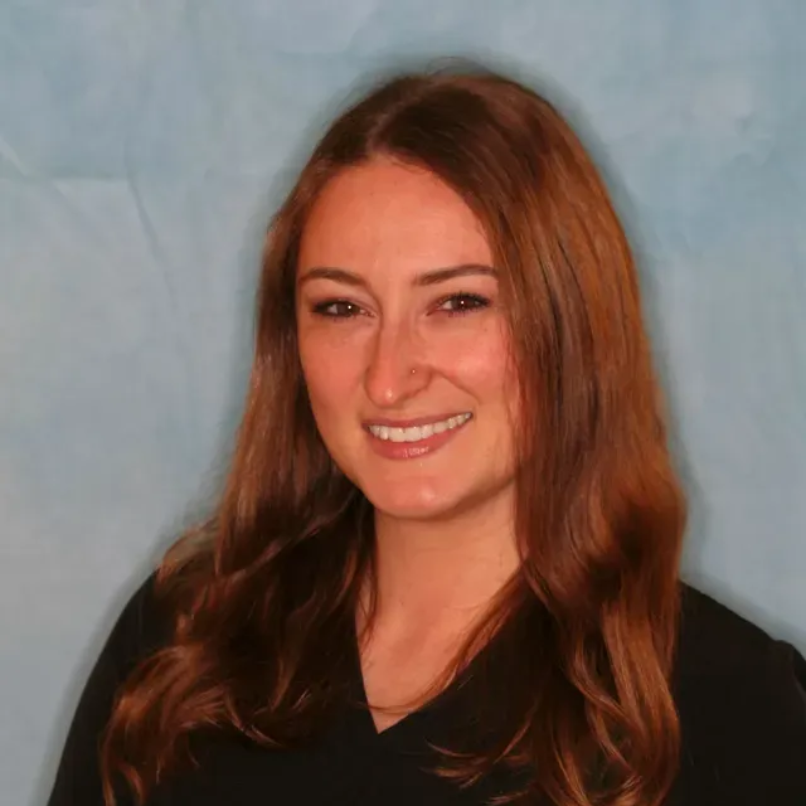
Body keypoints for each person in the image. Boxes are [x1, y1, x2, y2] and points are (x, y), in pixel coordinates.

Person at [46, 66, 806, 806]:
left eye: (458, 302)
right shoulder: (181, 641)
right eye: (342, 309)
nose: (388, 378)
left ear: (571, 328)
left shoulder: (729, 706)